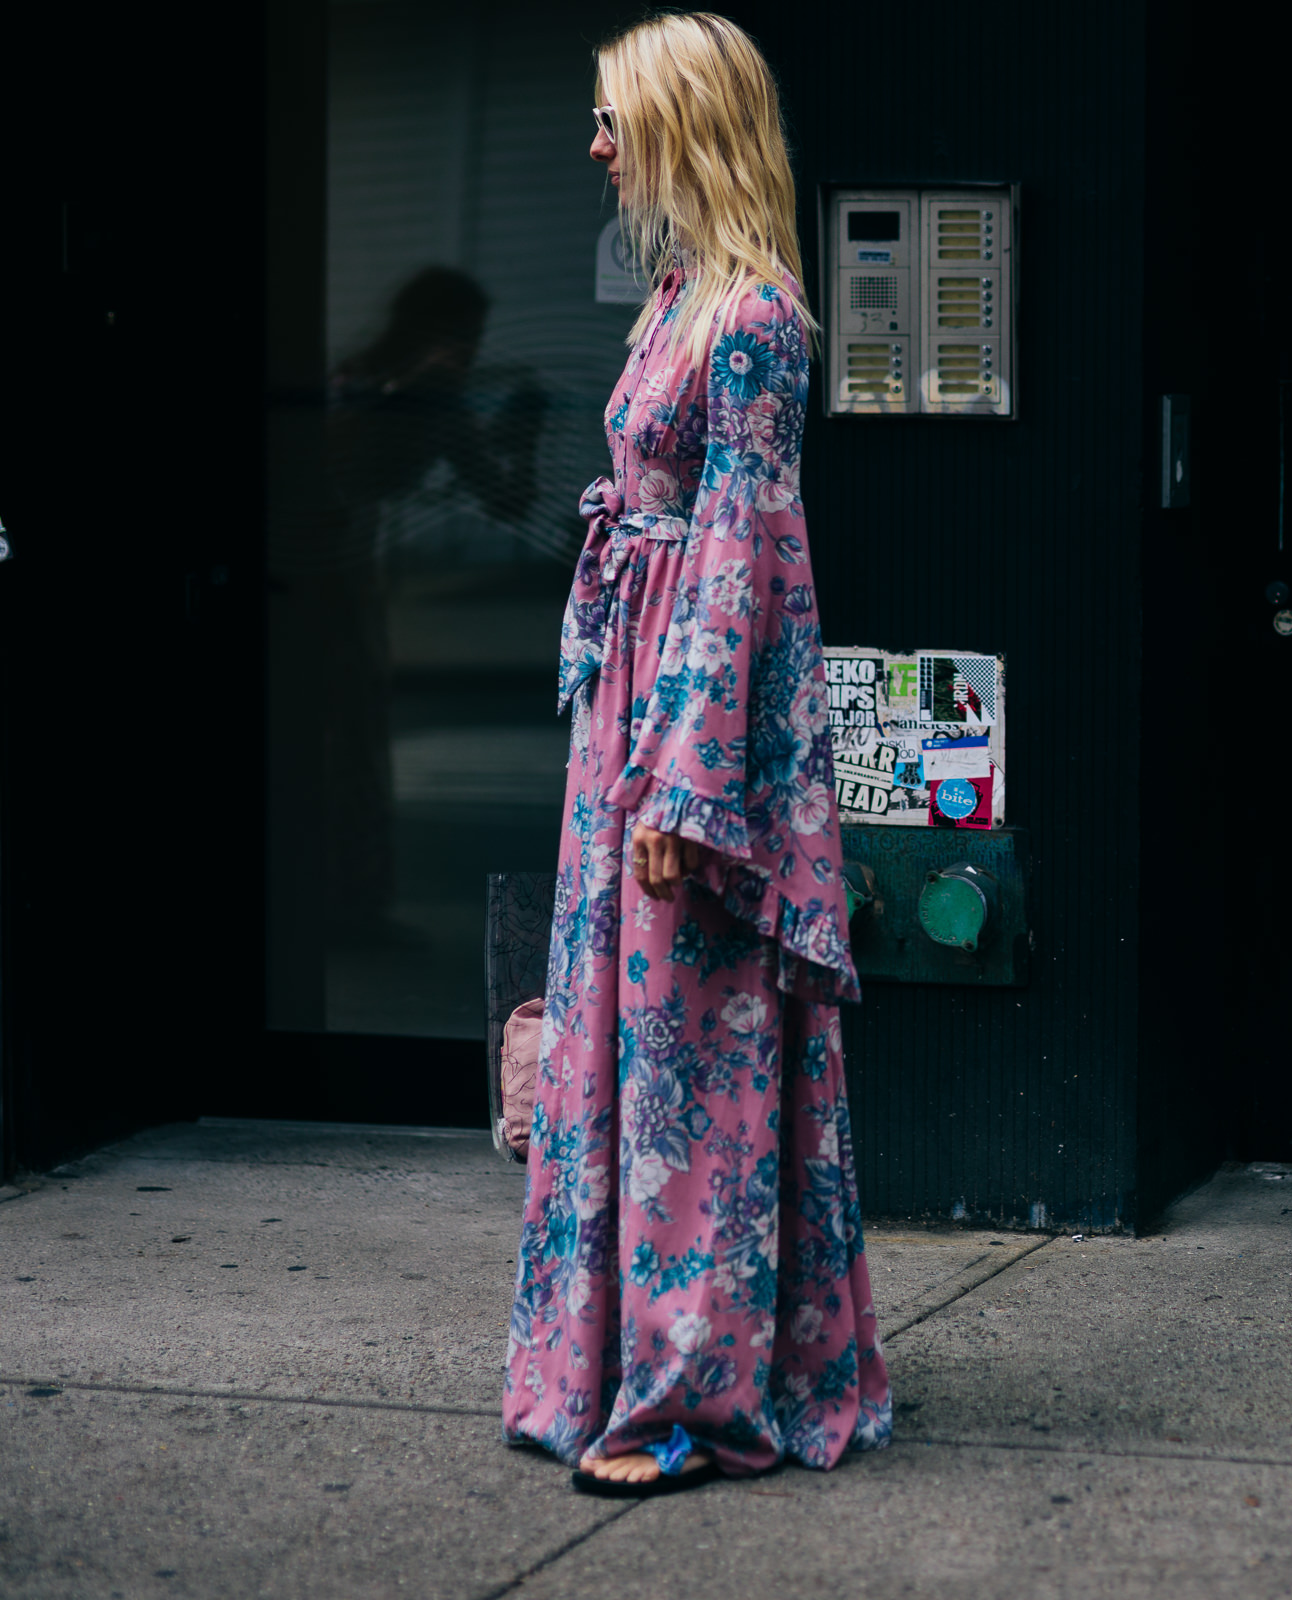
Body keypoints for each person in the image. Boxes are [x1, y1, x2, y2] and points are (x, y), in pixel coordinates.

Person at [502, 11, 890, 1496]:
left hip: (684, 732)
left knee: (688, 1069)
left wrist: (687, 781)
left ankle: (690, 1399)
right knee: (630, 1048)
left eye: (616, 118)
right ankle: (617, 1365)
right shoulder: (678, 299)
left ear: (683, 123)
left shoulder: (757, 324)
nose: (597, 146)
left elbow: (744, 559)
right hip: (631, 713)